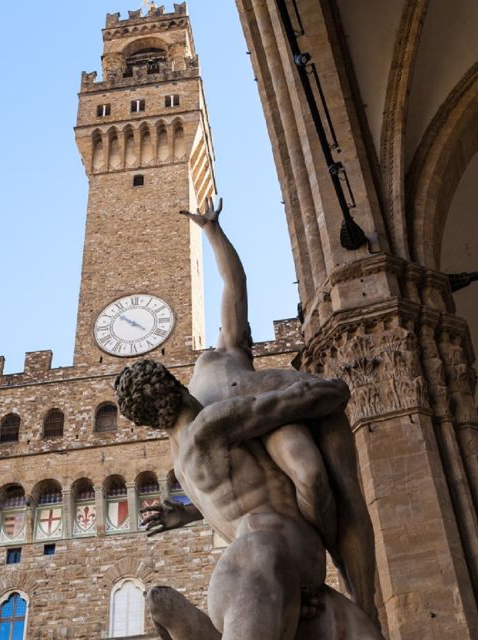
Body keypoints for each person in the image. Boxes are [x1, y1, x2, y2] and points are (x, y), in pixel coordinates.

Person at [157, 197, 376, 621]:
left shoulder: (229, 352)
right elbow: (226, 481)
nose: (238, 325)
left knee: (312, 475)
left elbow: (233, 282)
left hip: (273, 414)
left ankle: (342, 579)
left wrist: (212, 233)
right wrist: (186, 511)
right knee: (308, 478)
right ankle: (314, 578)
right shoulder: (196, 394)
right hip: (247, 434)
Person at [115, 360, 381, 640]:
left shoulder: (180, 464)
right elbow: (308, 398)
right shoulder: (210, 425)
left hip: (278, 580)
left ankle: (175, 615)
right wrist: (334, 385)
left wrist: (189, 513)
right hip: (260, 563)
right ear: (177, 385)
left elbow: (234, 499)